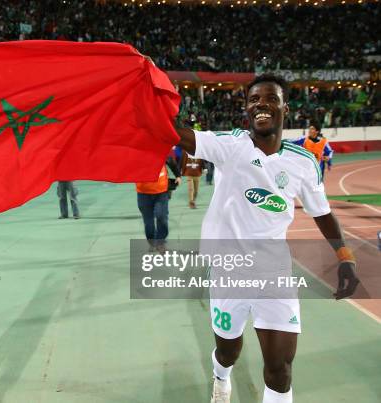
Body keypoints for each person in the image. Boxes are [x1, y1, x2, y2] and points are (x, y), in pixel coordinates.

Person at [175, 74, 359, 403]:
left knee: (280, 369)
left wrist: (345, 257)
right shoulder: (231, 146)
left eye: (270, 98)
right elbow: (178, 136)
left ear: (285, 107)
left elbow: (322, 213)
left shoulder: (303, 163)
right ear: (246, 109)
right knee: (228, 350)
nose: (262, 104)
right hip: (229, 270)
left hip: (275, 274)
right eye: (255, 99)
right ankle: (221, 374)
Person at [136, 156, 181, 253]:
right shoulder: (136, 153)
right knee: (148, 223)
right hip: (143, 193)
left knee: (161, 215)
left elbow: (170, 161)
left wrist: (178, 175)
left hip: (161, 192)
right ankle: (152, 242)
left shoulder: (160, 149)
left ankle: (160, 242)